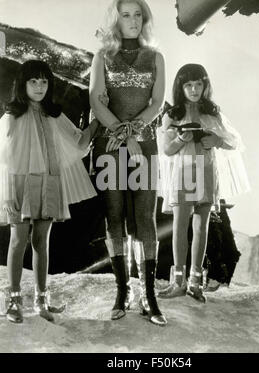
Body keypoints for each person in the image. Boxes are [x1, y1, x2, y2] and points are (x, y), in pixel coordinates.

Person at [0, 60, 98, 323]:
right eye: (33, 81)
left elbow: (78, 142)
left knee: (41, 242)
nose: (39, 87)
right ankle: (13, 301)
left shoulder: (53, 114)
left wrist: (97, 120)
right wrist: (8, 195)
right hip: (19, 184)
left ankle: (42, 301)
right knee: (18, 241)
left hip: (48, 182)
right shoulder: (11, 116)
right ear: (22, 83)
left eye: (44, 81)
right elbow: (4, 159)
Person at [89, 0, 167, 325]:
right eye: (126, 15)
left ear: (144, 19)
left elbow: (158, 101)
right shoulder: (102, 56)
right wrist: (126, 136)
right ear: (115, 20)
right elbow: (95, 98)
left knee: (145, 219)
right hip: (110, 149)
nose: (133, 21)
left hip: (145, 148)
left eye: (138, 15)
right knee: (115, 217)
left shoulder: (156, 57)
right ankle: (122, 291)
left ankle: (148, 296)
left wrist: (135, 133)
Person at [157, 63, 249, 302]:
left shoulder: (213, 113)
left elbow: (235, 142)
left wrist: (216, 140)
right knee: (180, 226)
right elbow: (166, 150)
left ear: (205, 85)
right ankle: (178, 280)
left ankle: (195, 282)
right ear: (181, 87)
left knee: (201, 227)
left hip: (208, 173)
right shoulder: (172, 114)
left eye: (198, 84)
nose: (194, 89)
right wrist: (180, 139)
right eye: (188, 85)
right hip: (184, 172)